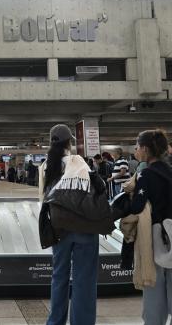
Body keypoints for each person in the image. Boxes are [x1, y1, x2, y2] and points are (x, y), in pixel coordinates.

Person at [41, 124, 112, 325]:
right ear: (70, 142)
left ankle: (55, 322)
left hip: (59, 228)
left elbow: (44, 197)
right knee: (84, 279)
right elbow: (99, 187)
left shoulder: (47, 165)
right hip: (85, 227)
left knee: (59, 276)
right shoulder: (81, 163)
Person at [129, 129, 172, 324]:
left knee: (153, 284)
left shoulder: (146, 174)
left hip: (155, 234)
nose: (136, 150)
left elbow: (137, 206)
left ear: (145, 149)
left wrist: (132, 190)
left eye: (137, 147)